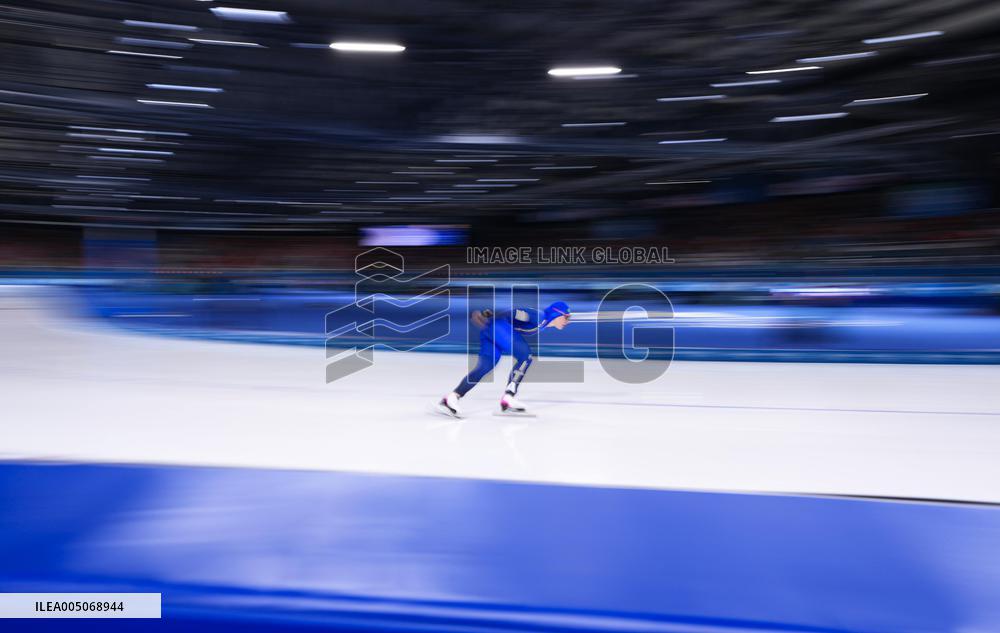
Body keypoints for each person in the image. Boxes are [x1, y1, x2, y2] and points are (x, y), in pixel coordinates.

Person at [438, 301, 571, 417]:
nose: (567, 321)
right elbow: (515, 313)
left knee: (485, 367)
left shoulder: (543, 323)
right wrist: (490, 314)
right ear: (556, 314)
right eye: (566, 317)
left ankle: (451, 398)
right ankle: (509, 397)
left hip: (490, 330)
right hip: (498, 327)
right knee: (525, 357)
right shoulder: (539, 317)